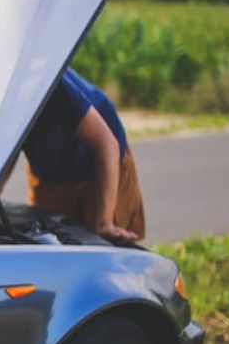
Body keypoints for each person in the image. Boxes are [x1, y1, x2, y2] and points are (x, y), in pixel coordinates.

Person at [21, 68, 146, 242]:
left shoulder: (51, 85)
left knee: (106, 243)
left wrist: (105, 222)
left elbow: (107, 145)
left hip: (102, 162)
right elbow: (3, 156)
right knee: (48, 243)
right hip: (50, 172)